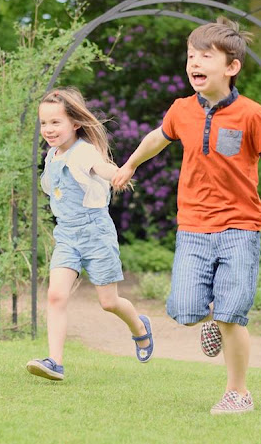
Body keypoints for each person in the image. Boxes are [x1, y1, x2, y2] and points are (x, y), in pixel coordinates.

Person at [112, 17, 261, 414]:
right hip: (193, 226)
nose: (195, 62)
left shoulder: (252, 114)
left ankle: (238, 392)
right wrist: (130, 165)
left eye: (205, 56)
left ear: (231, 67)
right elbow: (157, 137)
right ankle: (212, 319)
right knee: (184, 310)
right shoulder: (181, 110)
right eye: (191, 55)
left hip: (240, 227)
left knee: (233, 313)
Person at [26, 87, 154, 381]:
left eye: (55, 122)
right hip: (67, 235)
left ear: (75, 123)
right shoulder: (52, 155)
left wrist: (119, 174)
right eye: (44, 123)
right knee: (56, 295)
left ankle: (139, 326)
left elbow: (102, 167)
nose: (48, 129)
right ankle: (55, 362)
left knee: (108, 302)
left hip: (95, 233)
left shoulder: (84, 152)